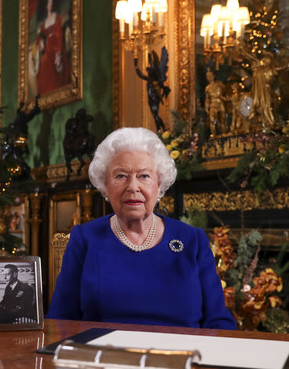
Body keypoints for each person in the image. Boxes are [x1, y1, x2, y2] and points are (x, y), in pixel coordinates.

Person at [47, 127, 236, 329]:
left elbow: (218, 320)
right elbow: (60, 320)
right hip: (104, 356)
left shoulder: (192, 240)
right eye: (121, 176)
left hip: (181, 357)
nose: (133, 187)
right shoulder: (85, 239)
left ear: (159, 184)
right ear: (105, 186)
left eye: (144, 176)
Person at [32, 0, 71, 95]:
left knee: (51, 70)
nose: (51, 4)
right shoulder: (44, 23)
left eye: (52, 2)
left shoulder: (57, 17)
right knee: (42, 73)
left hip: (56, 48)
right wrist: (40, 41)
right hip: (48, 49)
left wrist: (58, 55)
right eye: (49, 2)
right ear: (46, 4)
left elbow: (59, 35)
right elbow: (40, 35)